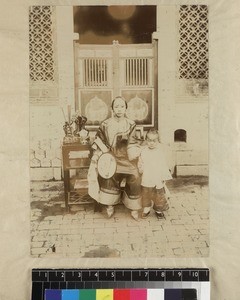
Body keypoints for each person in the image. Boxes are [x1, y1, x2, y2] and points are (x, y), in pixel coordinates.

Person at [88, 96, 142, 220]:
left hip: (127, 158)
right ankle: (110, 205)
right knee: (108, 174)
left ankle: (133, 206)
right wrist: (102, 154)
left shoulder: (131, 124)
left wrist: (134, 156)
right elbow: (99, 141)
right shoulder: (105, 124)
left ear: (126, 108)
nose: (119, 109)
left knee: (135, 174)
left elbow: (133, 142)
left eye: (122, 106)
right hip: (111, 157)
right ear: (112, 108)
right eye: (116, 106)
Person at [138, 129, 172, 219]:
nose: (151, 143)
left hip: (157, 177)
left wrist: (163, 176)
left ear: (158, 141)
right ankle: (146, 208)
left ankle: (158, 210)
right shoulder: (143, 151)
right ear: (146, 140)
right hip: (147, 176)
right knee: (146, 193)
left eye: (154, 141)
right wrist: (140, 168)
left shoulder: (160, 152)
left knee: (159, 195)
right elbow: (140, 162)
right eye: (149, 140)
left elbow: (163, 165)